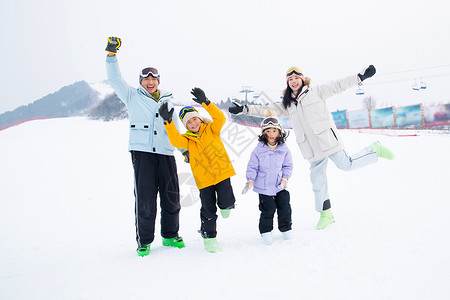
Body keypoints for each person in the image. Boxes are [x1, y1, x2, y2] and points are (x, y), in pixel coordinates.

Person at [229, 65, 394, 230]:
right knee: (317, 181)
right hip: (311, 149)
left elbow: (338, 85)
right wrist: (244, 109)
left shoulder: (316, 92)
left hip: (327, 141)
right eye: (290, 79)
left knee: (346, 164)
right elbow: (266, 110)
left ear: (302, 79)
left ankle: (375, 150)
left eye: (296, 78)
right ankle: (326, 214)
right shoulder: (287, 104)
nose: (293, 81)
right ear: (287, 83)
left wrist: (360, 77)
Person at [105, 37, 188, 257]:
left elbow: (175, 128)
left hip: (166, 152)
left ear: (158, 81)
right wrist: (112, 56)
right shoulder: (132, 95)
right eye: (146, 79)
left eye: (154, 79)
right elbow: (115, 80)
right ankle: (145, 240)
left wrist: (184, 150)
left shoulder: (168, 99)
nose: (150, 82)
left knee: (171, 195)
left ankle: (170, 235)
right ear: (141, 81)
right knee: (145, 197)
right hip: (142, 154)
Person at [159, 87, 236, 253]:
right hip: (204, 180)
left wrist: (205, 102)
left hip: (222, 173)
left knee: (227, 201)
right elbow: (174, 140)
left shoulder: (212, 130)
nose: (193, 124)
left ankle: (226, 206)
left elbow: (219, 117)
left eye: (195, 119)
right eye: (188, 122)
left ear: (200, 119)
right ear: (186, 126)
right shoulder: (186, 140)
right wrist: (168, 122)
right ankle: (209, 237)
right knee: (208, 210)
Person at [243, 110, 293, 245]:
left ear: (279, 132)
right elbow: (252, 167)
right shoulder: (258, 150)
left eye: (274, 131)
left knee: (284, 205)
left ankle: (286, 229)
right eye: (268, 131)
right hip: (264, 187)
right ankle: (266, 232)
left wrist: (285, 179)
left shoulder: (284, 149)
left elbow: (288, 166)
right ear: (263, 133)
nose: (271, 134)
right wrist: (250, 180)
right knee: (268, 208)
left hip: (279, 185)